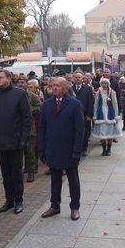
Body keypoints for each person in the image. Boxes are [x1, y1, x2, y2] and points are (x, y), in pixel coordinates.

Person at [38, 77, 85, 220]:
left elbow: (80, 130)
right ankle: (55, 206)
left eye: (58, 86)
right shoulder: (46, 105)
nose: (54, 88)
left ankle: (75, 207)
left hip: (69, 150)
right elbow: (42, 129)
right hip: (53, 149)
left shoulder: (75, 104)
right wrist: (41, 149)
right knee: (55, 179)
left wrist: (77, 151)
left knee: (73, 180)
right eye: (53, 86)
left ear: (65, 88)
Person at [0, 69, 32, 214]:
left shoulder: (20, 94)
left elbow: (26, 118)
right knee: (5, 173)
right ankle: (9, 200)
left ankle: (19, 200)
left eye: (0, 77)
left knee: (16, 173)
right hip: (0, 140)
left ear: (9, 78)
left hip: (16, 140)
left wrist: (24, 138)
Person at [16, 74, 42, 182]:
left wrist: (31, 109)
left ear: (27, 84)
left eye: (23, 82)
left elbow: (40, 107)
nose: (20, 84)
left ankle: (31, 170)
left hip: (30, 127)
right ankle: (23, 169)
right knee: (18, 151)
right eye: (19, 82)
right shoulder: (14, 95)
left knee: (30, 150)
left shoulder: (31, 96)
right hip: (17, 127)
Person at [92, 77, 121, 156]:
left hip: (110, 114)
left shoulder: (112, 92)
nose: (104, 85)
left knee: (110, 133)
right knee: (102, 133)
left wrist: (116, 116)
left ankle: (109, 149)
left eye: (106, 83)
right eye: (103, 83)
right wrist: (94, 116)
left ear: (108, 84)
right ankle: (104, 149)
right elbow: (95, 105)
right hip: (101, 114)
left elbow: (115, 105)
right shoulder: (98, 92)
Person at [72, 71, 94, 156]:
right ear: (74, 79)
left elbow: (90, 102)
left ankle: (84, 148)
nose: (77, 79)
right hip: (73, 115)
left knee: (85, 132)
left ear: (82, 79)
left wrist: (89, 115)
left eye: (79, 77)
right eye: (76, 77)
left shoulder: (87, 89)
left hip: (84, 114)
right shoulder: (70, 88)